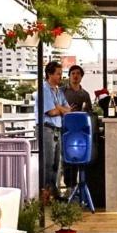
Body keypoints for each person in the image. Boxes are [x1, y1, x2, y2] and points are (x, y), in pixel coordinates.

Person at [40, 60, 71, 195]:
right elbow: (51, 112)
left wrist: (59, 108)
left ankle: (54, 192)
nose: (60, 76)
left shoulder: (58, 91)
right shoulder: (45, 89)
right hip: (47, 128)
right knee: (48, 164)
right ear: (49, 74)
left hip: (57, 129)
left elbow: (68, 109)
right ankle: (46, 194)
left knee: (56, 164)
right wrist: (60, 109)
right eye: (58, 74)